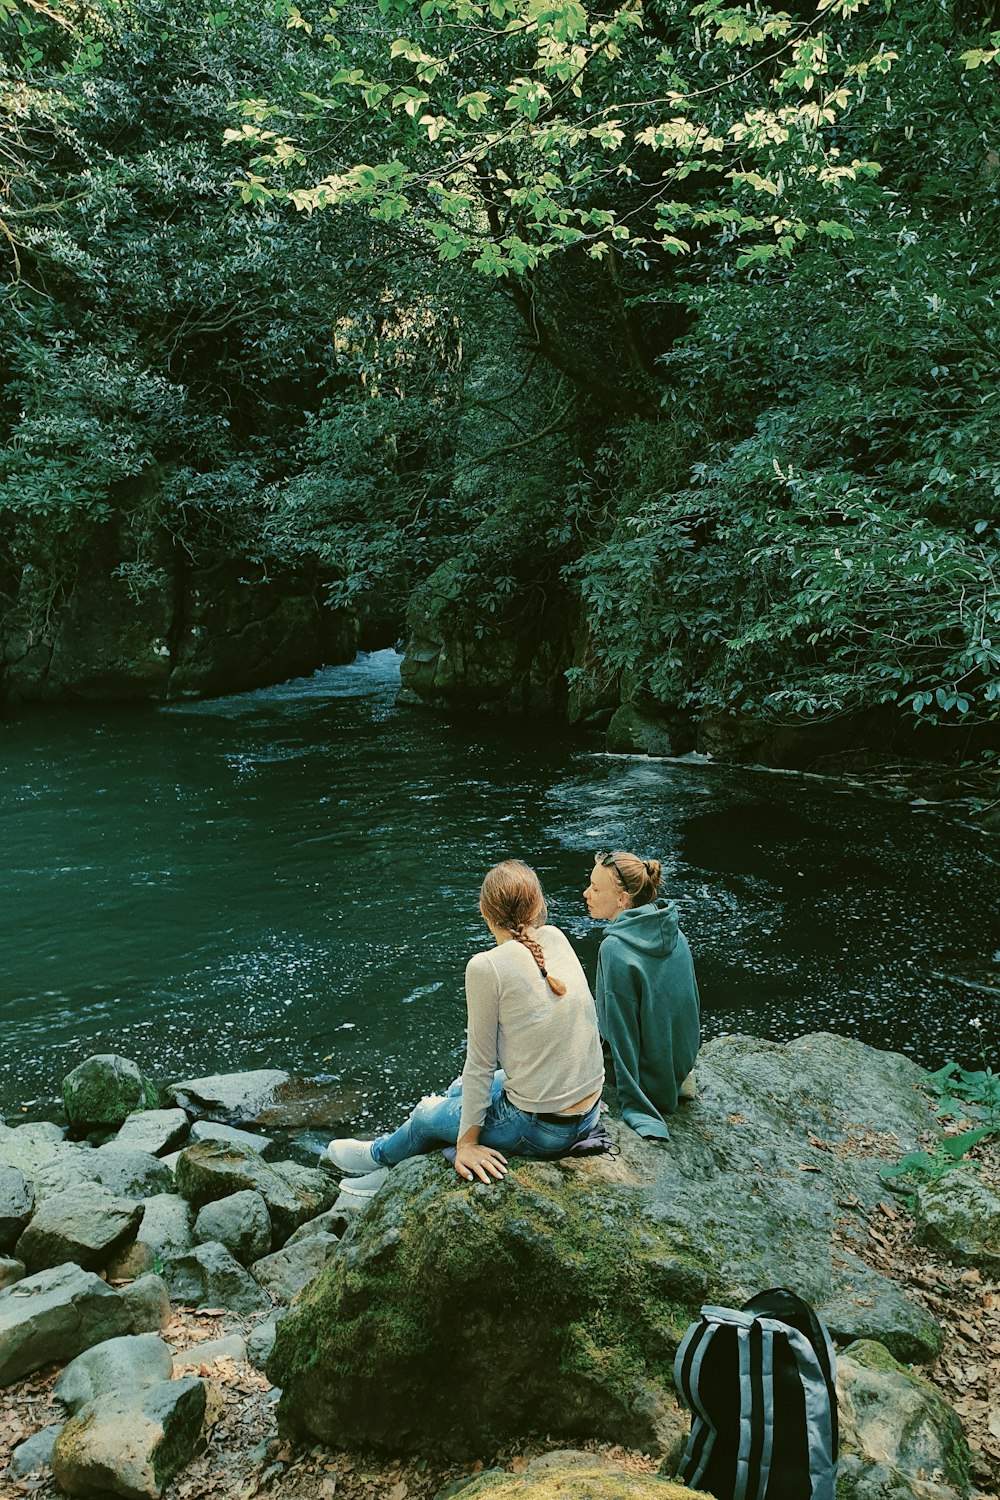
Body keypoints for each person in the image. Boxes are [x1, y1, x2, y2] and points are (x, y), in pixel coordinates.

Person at [327, 859, 605, 1195]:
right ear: (539, 906)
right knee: (459, 1090)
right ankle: (399, 1158)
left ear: (486, 913)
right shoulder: (555, 937)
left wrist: (468, 1145)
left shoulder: (485, 967)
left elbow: (481, 1064)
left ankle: (380, 1159)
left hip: (542, 1129)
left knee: (426, 1115)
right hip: (587, 1114)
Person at [584, 850, 700, 1141]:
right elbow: (689, 1012)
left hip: (648, 1084)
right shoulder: (674, 932)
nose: (587, 893)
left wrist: (637, 1104)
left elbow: (620, 1032)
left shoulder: (614, 949)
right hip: (676, 1070)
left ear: (623, 899)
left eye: (596, 888)